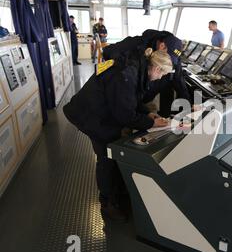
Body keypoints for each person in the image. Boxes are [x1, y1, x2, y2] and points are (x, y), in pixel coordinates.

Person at [63, 49, 173, 222]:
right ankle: (107, 202)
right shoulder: (125, 76)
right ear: (157, 69)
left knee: (112, 149)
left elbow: (131, 99)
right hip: (89, 115)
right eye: (163, 74)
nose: (160, 79)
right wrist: (151, 123)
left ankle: (117, 190)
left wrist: (147, 114)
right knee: (106, 155)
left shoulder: (135, 68)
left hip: (100, 109)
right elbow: (124, 115)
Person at [103, 29, 191, 117]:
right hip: (128, 89)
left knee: (169, 79)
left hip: (144, 95)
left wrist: (189, 104)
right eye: (169, 56)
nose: (169, 60)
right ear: (162, 46)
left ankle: (165, 118)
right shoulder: (137, 43)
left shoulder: (172, 55)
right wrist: (128, 63)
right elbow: (107, 52)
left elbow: (178, 77)